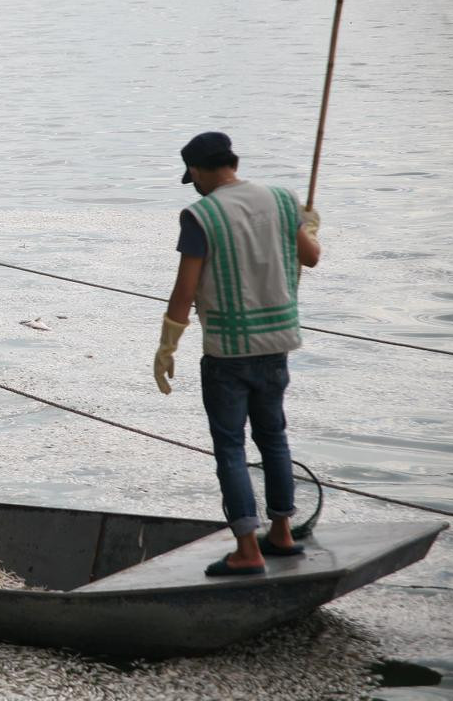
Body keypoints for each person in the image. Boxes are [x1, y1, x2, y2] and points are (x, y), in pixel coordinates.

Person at [153, 131, 321, 577]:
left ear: (196, 171)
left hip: (228, 351)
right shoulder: (283, 200)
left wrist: (167, 345)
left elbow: (184, 290)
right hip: (278, 345)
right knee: (274, 439)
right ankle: (283, 533)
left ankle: (247, 549)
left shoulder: (201, 214)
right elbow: (312, 257)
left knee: (230, 448)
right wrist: (309, 225)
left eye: (192, 177)